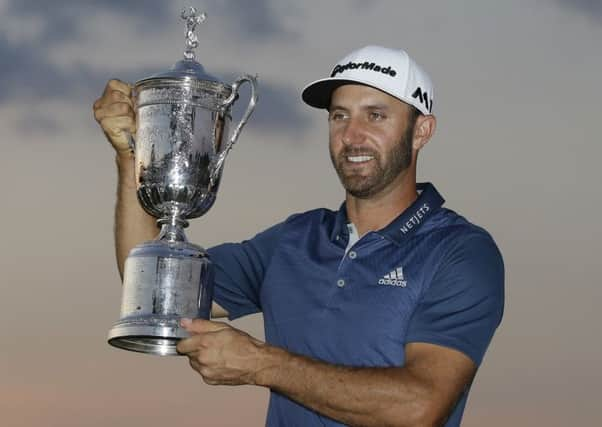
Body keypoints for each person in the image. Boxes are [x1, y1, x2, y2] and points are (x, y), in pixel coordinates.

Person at [93, 45, 504, 427]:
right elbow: (152, 287)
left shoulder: (460, 251)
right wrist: (129, 155)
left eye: (375, 116)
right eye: (340, 115)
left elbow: (421, 406)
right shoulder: (294, 240)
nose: (352, 135)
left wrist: (261, 364)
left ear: (421, 131)